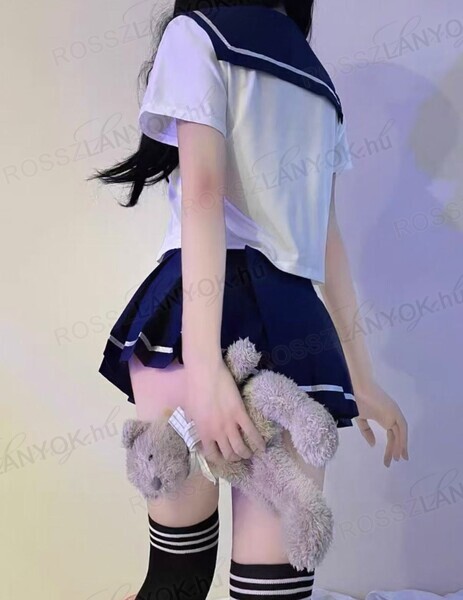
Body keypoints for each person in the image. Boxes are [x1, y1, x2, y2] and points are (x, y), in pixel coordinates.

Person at [89, 1, 409, 599]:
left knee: (176, 578)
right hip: (295, 326)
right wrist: (361, 376)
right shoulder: (318, 81)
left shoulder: (197, 35)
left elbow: (203, 194)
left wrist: (204, 364)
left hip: (189, 318)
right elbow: (326, 240)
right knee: (272, 586)